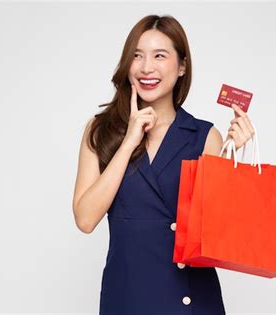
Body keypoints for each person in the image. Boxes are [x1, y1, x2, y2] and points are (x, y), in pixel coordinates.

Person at [72, 14, 254, 315]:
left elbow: (216, 233)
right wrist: (129, 141)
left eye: (160, 56)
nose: (146, 68)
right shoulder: (99, 130)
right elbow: (85, 219)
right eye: (137, 56)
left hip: (191, 300)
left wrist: (234, 159)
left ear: (181, 66)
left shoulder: (205, 136)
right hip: (127, 298)